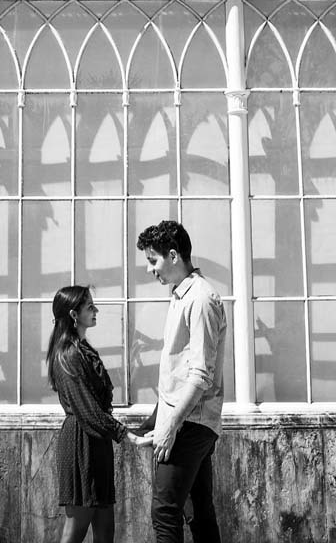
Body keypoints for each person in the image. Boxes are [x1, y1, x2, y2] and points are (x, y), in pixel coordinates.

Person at [136, 219, 227, 543]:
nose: (150, 269)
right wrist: (156, 419)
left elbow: (200, 374)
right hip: (189, 421)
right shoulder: (182, 296)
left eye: (153, 260)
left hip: (189, 424)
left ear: (173, 255)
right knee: (198, 512)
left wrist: (170, 426)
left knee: (165, 512)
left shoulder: (200, 299)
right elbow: (178, 371)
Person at [46, 285, 151, 543]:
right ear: (74, 315)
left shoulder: (82, 349)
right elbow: (88, 409)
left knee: (105, 529)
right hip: (81, 442)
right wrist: (129, 436)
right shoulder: (68, 354)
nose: (96, 310)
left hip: (96, 442)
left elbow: (97, 406)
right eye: (90, 306)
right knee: (76, 528)